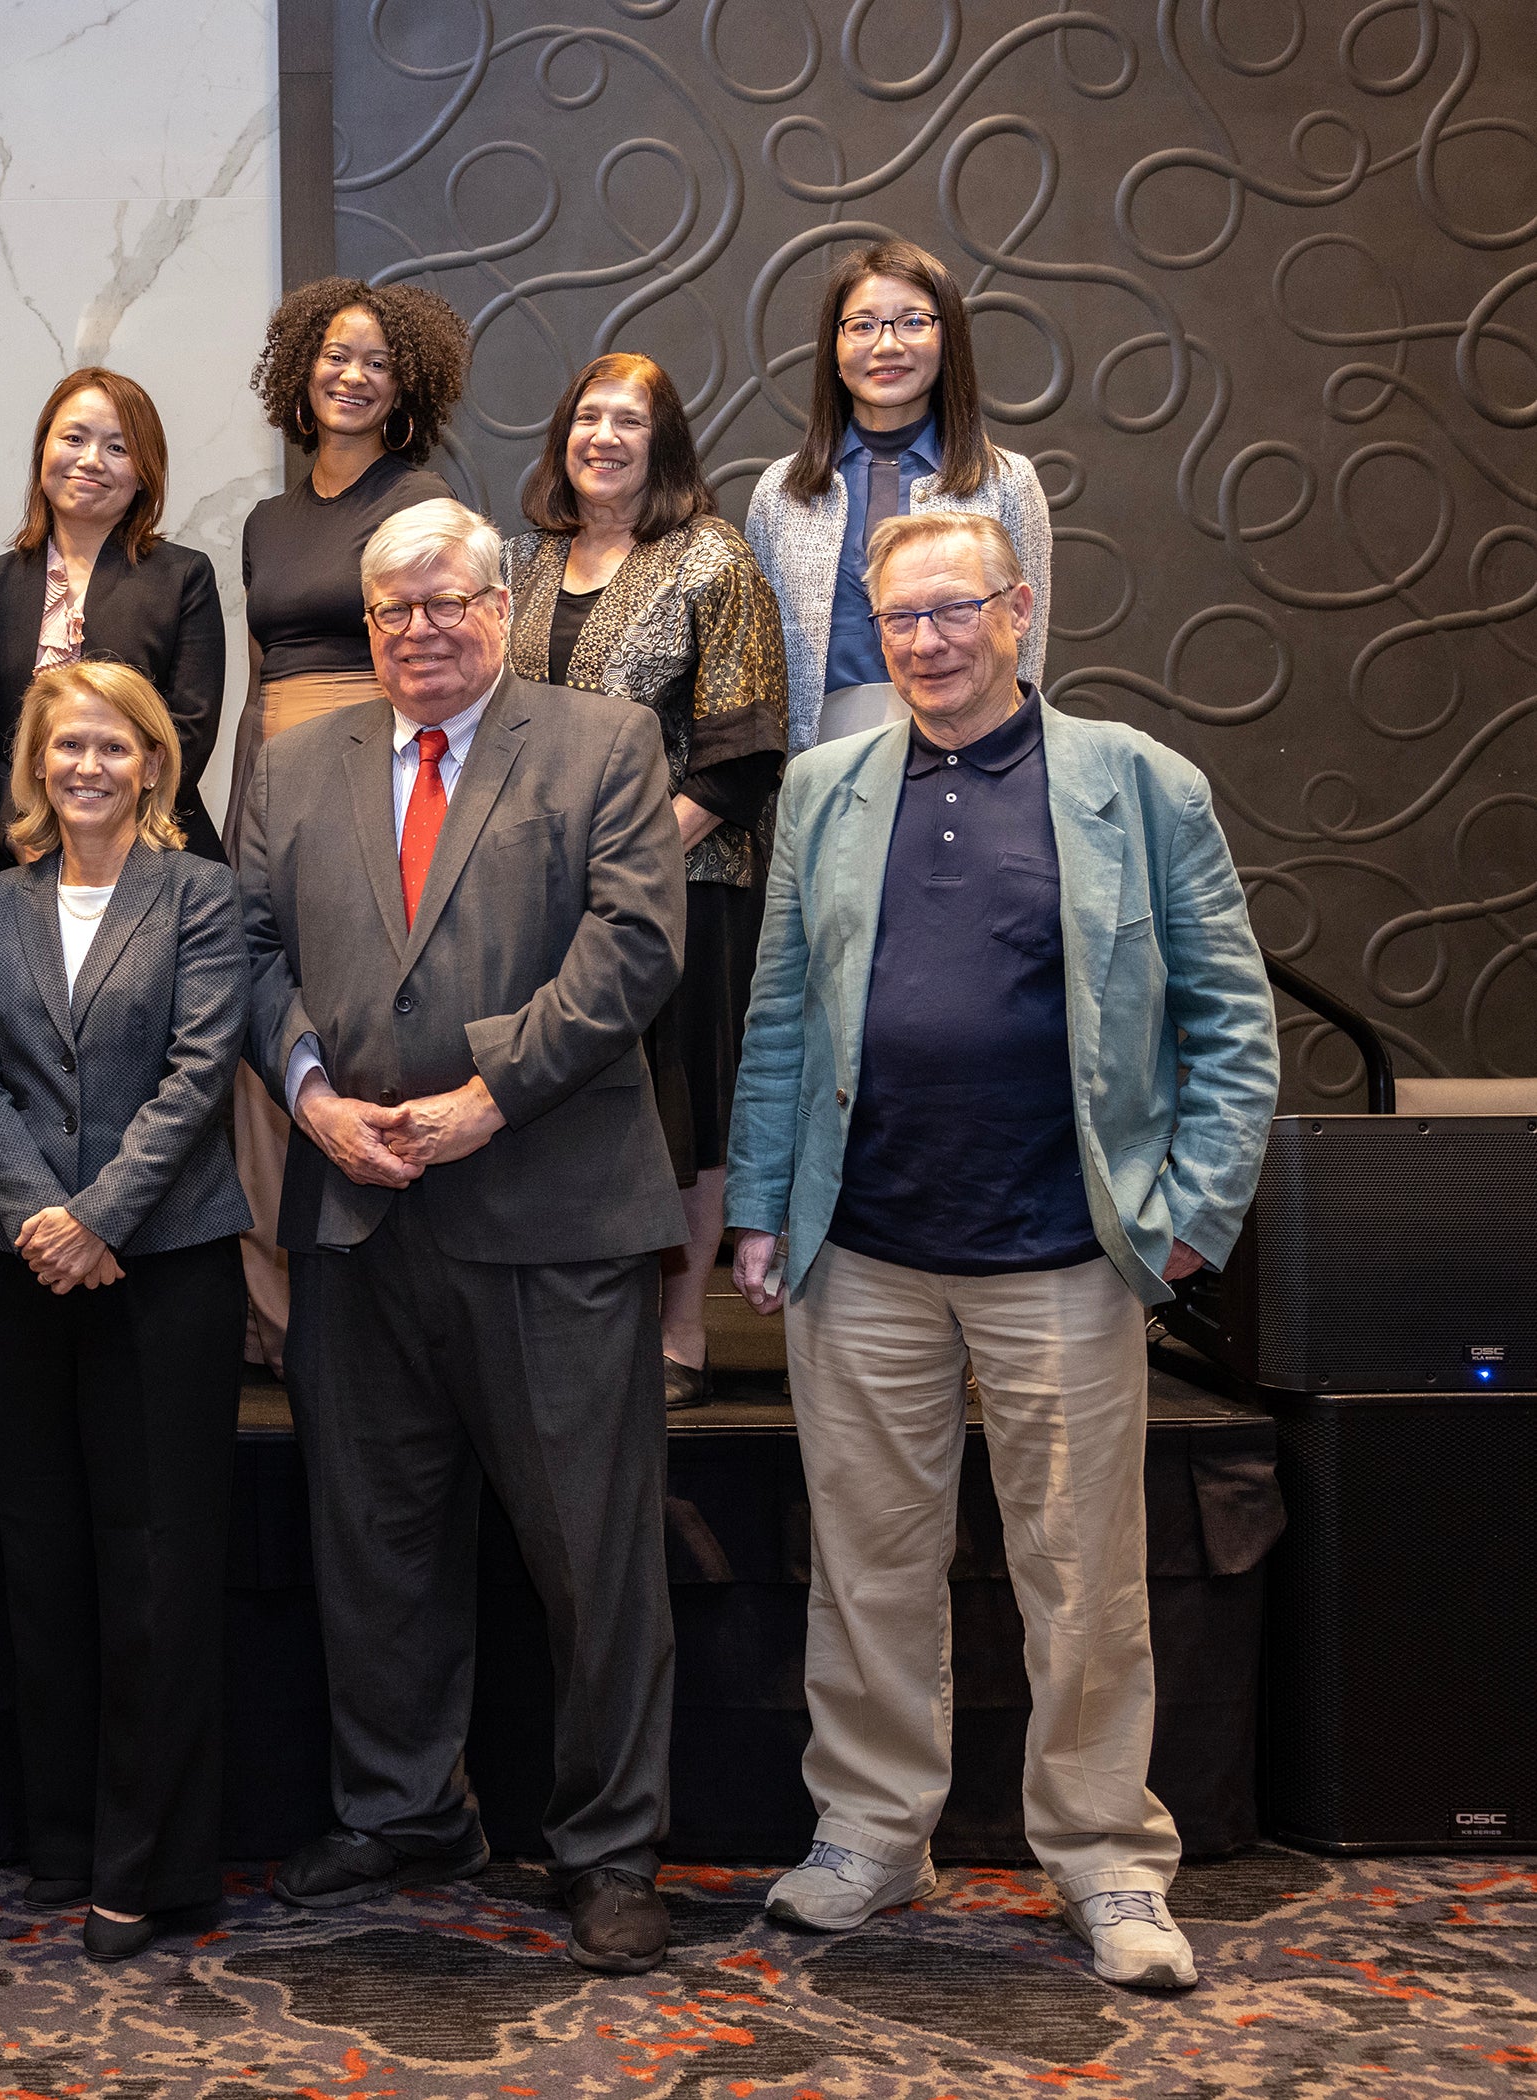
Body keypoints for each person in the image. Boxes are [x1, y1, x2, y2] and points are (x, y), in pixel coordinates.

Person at [726, 510, 1277, 1993]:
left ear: (1015, 610)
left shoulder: (1138, 785)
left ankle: (1103, 1858)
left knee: (1079, 1575)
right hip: (866, 1252)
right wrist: (763, 1205)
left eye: (951, 611)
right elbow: (779, 1013)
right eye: (898, 620)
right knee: (866, 1568)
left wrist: (1185, 1222)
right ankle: (868, 1834)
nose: (924, 642)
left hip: (1065, 1255)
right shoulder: (823, 787)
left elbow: (1232, 1023)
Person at [234, 497, 688, 1977]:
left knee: (588, 1556)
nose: (417, 628)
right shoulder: (297, 763)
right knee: (372, 1539)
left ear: (502, 601)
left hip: (548, 1213)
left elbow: (632, 947)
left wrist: (491, 1094)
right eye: (388, 610)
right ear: (360, 625)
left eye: (444, 601)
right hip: (356, 1210)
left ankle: (609, 1847)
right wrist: (305, 1096)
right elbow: (238, 950)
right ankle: (401, 1808)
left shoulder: (599, 743)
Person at [0, 660, 251, 1961]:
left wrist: (99, 1219)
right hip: (23, 1273)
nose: (86, 767)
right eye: (64, 746)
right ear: (35, 764)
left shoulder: (200, 897)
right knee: (47, 1556)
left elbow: (197, 1075)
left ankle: (153, 1864)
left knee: (156, 1565)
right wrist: (39, 1220)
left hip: (162, 1269)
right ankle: (65, 1836)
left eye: (110, 748)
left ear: (149, 764)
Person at [503, 353, 788, 1409]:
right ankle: (580, 1317)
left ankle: (680, 1333)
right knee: (577, 1097)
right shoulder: (522, 561)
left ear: (663, 441)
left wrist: (630, 854)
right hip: (539, 889)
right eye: (588, 417)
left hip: (688, 882)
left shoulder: (712, 561)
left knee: (689, 1108)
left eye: (630, 420)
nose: (604, 437)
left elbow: (745, 756)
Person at [229, 276, 469, 1370]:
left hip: (373, 760)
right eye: (334, 353)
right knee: (260, 1004)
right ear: (299, 370)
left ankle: (375, 1269)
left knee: (361, 996)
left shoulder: (418, 502)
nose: (352, 374)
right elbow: (268, 663)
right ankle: (276, 1304)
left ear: (404, 382)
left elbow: (425, 656)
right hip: (268, 757)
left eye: (375, 359)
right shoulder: (268, 521)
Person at [745, 239, 1051, 753]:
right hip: (813, 765)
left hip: (970, 756)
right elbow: (759, 665)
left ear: (946, 338)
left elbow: (1026, 653)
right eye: (862, 325)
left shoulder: (1007, 482)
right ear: (835, 349)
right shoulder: (781, 493)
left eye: (912, 321)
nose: (887, 346)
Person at [0, 368, 223, 875]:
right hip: (12, 859)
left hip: (149, 849)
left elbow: (187, 729)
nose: (90, 460)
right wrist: (17, 827)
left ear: (144, 469)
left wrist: (104, 830)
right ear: (44, 448)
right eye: (74, 438)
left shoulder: (182, 577)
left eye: (117, 447)